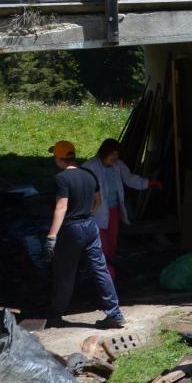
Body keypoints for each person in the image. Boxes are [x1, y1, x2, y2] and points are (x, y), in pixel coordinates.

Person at [45, 140, 126, 329]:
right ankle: (115, 313)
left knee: (65, 274)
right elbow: (98, 200)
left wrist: (52, 236)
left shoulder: (62, 178)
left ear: (59, 158)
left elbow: (62, 206)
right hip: (91, 226)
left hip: (71, 229)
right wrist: (88, 213)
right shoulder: (89, 174)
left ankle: (56, 316)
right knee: (100, 270)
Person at [82, 139, 161, 280]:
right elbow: (80, 187)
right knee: (101, 246)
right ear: (104, 153)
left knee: (111, 244)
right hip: (95, 212)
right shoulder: (90, 167)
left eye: (117, 154)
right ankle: (106, 276)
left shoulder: (118, 166)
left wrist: (148, 183)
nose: (115, 157)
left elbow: (130, 179)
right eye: (112, 154)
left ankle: (105, 271)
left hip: (113, 211)